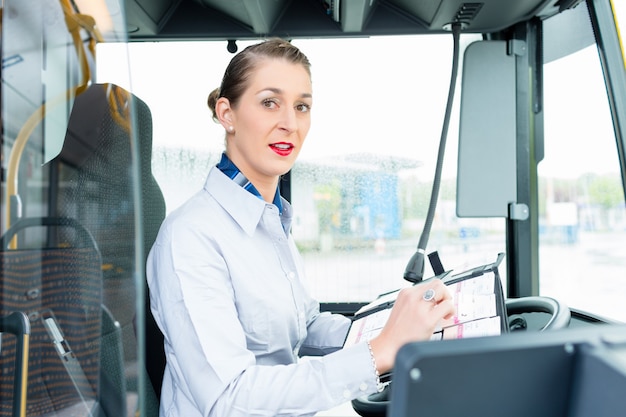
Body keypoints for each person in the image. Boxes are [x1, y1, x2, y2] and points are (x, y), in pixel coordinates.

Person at [146, 38, 455, 417]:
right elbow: (228, 398)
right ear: (227, 114)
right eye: (269, 103)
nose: (290, 124)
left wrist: (396, 328)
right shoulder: (191, 236)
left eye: (302, 106)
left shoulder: (271, 219)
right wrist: (378, 353)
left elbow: (303, 326)